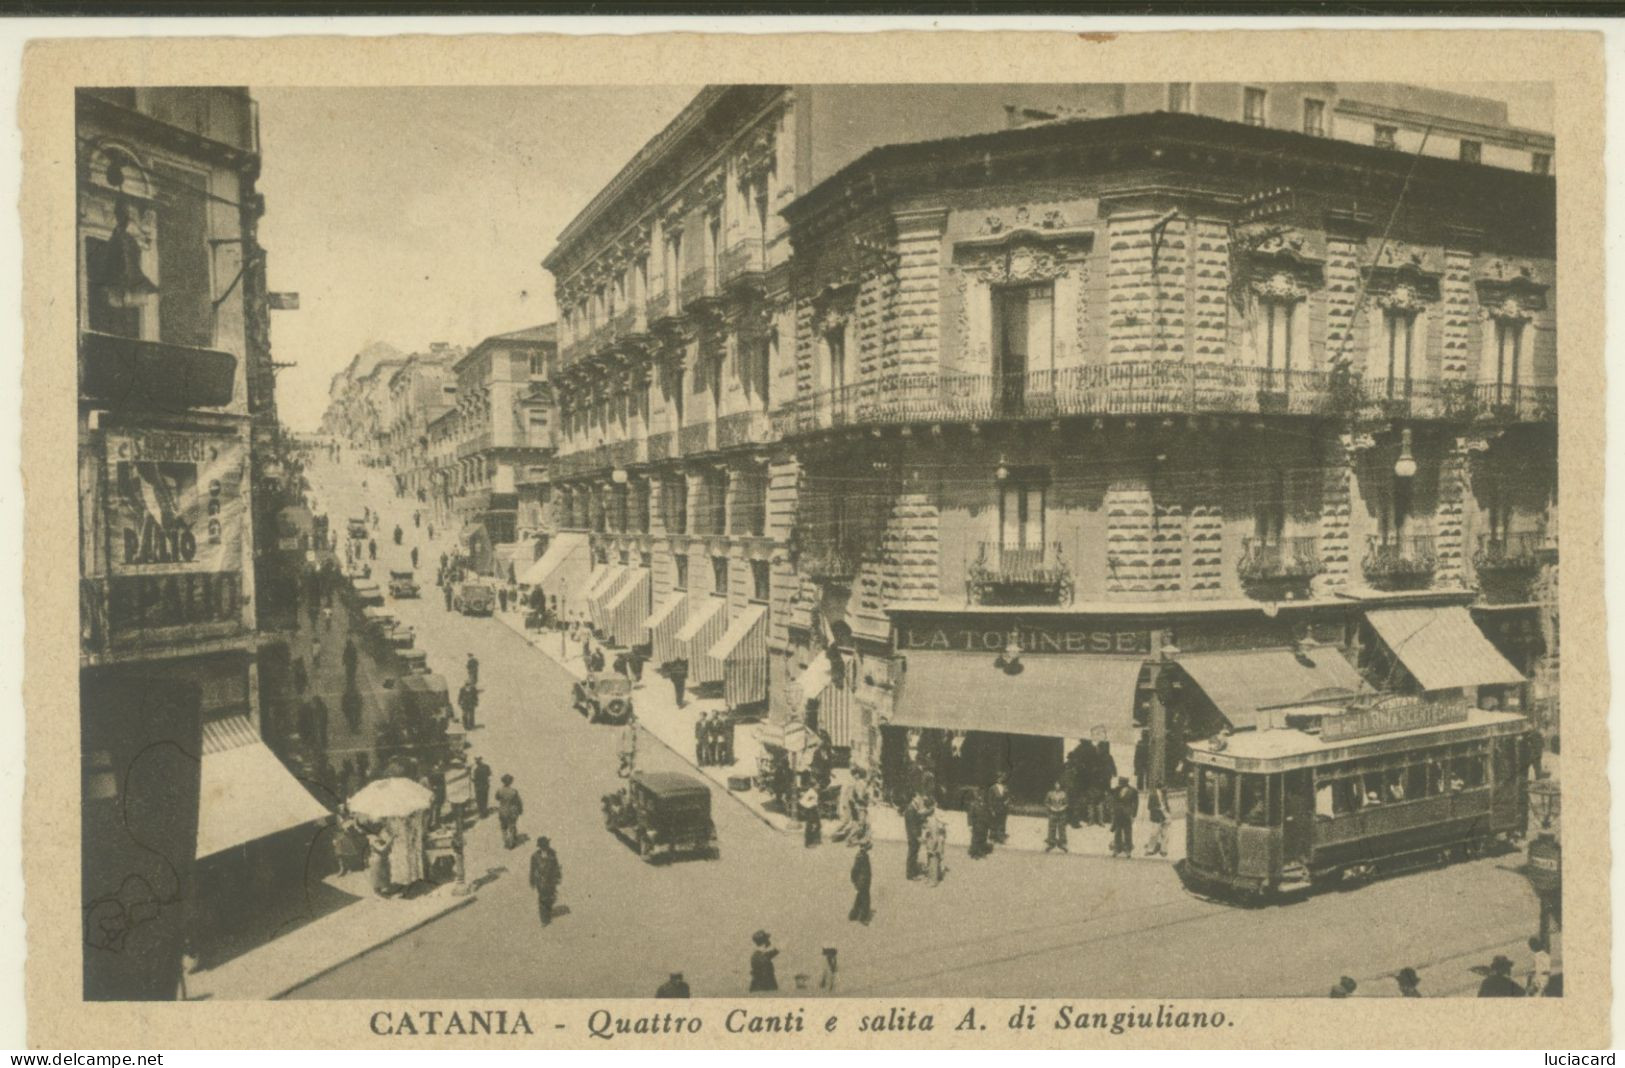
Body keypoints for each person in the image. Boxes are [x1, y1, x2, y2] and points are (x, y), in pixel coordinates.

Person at [529, 836, 562, 927]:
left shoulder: (552, 853)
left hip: (551, 880)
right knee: (542, 899)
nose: (546, 847)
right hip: (541, 881)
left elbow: (556, 865)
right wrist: (532, 881)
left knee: (550, 897)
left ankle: (548, 910)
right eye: (544, 846)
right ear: (540, 847)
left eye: (547, 845)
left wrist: (558, 876)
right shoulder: (535, 857)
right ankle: (544, 919)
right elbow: (532, 869)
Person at [904, 790, 933, 879]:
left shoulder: (914, 808)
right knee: (912, 854)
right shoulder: (910, 809)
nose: (919, 799)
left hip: (914, 835)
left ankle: (914, 871)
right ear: (913, 798)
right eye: (918, 797)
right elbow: (913, 826)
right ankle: (910, 874)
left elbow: (918, 818)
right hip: (913, 836)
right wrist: (918, 837)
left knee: (915, 853)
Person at [1110, 776, 1140, 857]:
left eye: (1121, 783)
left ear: (1126, 783)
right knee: (1117, 831)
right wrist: (1113, 811)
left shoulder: (1133, 791)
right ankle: (1117, 849)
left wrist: (1134, 814)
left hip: (1127, 814)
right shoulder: (1116, 790)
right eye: (1120, 783)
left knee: (1128, 832)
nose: (1120, 784)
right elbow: (1113, 801)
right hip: (1118, 813)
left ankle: (1128, 850)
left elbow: (1136, 803)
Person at [495, 774, 524, 850]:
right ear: (511, 782)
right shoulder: (514, 791)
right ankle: (511, 842)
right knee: (512, 826)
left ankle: (505, 841)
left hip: (502, 810)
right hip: (512, 811)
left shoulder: (499, 790)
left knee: (504, 827)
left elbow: (497, 798)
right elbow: (519, 802)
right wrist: (520, 810)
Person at [849, 839, 873, 925]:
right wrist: (855, 881)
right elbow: (856, 870)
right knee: (866, 900)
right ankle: (863, 917)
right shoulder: (862, 857)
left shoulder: (861, 856)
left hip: (862, 881)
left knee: (859, 897)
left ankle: (853, 914)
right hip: (863, 882)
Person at [1144, 783, 1171, 857]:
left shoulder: (1164, 794)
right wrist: (1159, 810)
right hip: (1157, 816)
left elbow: (1166, 805)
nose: (1166, 788)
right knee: (1154, 833)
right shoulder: (1153, 795)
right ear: (1160, 787)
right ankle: (1150, 849)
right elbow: (1149, 807)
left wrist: (1168, 813)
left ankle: (1164, 850)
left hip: (1166, 816)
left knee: (1165, 834)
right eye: (1165, 787)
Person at [1045, 779, 1070, 853]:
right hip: (1053, 812)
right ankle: (1051, 843)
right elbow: (1046, 802)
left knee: (1062, 828)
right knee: (1052, 827)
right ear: (1054, 785)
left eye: (1058, 784)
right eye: (1056, 784)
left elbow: (1067, 803)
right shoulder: (1050, 793)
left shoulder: (1063, 794)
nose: (1057, 786)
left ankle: (1062, 843)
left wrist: (1063, 807)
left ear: (1060, 786)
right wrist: (1050, 807)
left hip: (1061, 813)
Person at [922, 810, 947, 886]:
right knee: (932, 861)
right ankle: (933, 877)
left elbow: (934, 837)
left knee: (933, 861)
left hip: (933, 844)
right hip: (933, 843)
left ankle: (933, 881)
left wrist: (932, 848)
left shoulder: (932, 822)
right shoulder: (933, 820)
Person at [966, 787, 991, 859]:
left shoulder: (985, 804)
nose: (981, 797)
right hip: (976, 824)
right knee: (975, 839)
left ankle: (981, 852)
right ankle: (974, 853)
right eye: (979, 796)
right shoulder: (973, 804)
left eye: (982, 796)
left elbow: (987, 814)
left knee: (983, 838)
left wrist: (988, 823)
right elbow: (970, 815)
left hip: (984, 824)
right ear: (976, 796)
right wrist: (970, 825)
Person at [987, 773, 1010, 844]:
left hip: (1003, 808)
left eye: (1002, 778)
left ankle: (1001, 838)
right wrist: (991, 809)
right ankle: (993, 838)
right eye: (999, 778)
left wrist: (1007, 801)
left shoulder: (1005, 787)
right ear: (997, 779)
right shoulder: (992, 788)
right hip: (995, 808)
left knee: (1002, 823)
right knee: (994, 823)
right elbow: (989, 800)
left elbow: (1008, 797)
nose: (1001, 779)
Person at [800, 779, 822, 847]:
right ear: (813, 786)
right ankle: (808, 843)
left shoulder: (815, 791)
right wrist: (809, 806)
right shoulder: (810, 792)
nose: (819, 786)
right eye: (817, 785)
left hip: (814, 809)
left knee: (818, 824)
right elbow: (802, 801)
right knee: (809, 826)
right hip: (810, 810)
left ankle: (815, 839)